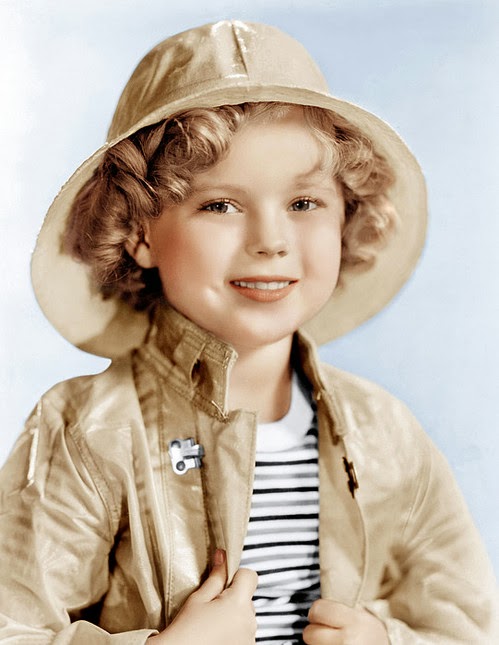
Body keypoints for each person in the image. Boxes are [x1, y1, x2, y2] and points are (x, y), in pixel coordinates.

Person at [0, 20, 497, 645]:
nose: (270, 241)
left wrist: (387, 641)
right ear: (139, 232)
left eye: (304, 203)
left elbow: (469, 627)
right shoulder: (88, 431)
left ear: (346, 217)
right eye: (220, 205)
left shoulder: (386, 434)